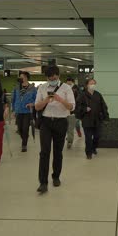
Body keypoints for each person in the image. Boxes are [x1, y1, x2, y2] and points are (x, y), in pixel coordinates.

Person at [34, 66, 75, 194]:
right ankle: (43, 183)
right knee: (44, 152)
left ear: (58, 76)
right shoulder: (42, 88)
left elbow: (71, 107)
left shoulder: (66, 88)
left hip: (61, 122)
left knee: (58, 152)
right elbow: (37, 107)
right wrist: (46, 100)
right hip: (46, 122)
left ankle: (56, 176)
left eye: (54, 77)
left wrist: (60, 99)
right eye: (49, 78)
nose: (52, 79)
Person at [75, 79, 109, 160]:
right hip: (87, 120)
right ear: (87, 85)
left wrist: (106, 117)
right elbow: (77, 107)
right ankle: (88, 153)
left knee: (98, 136)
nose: (93, 85)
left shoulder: (98, 95)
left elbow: (104, 106)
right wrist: (84, 109)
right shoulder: (82, 95)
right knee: (88, 138)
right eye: (91, 83)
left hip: (97, 119)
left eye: (94, 83)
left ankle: (94, 147)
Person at [12, 71, 37, 152]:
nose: (20, 78)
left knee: (25, 128)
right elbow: (14, 99)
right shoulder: (16, 87)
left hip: (27, 111)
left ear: (26, 77)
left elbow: (37, 99)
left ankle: (24, 145)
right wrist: (13, 110)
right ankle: (25, 137)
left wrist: (32, 104)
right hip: (18, 111)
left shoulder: (32, 88)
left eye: (21, 76)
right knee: (20, 129)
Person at [65, 77, 81, 149]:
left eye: (69, 81)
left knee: (71, 127)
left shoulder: (76, 89)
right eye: (67, 81)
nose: (68, 83)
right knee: (66, 127)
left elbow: (78, 100)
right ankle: (69, 137)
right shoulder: (64, 88)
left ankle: (70, 141)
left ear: (72, 82)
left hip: (73, 111)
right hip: (64, 111)